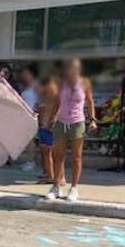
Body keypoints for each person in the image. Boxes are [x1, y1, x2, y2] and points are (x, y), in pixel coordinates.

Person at [45, 59, 97, 202]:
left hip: (77, 122)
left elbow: (90, 101)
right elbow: (57, 102)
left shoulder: (85, 83)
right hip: (61, 122)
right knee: (58, 156)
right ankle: (56, 186)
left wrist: (92, 120)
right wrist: (51, 119)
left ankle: (74, 188)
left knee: (76, 157)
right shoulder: (61, 83)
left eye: (74, 69)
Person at [37, 75, 59, 184]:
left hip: (50, 126)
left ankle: (55, 176)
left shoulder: (55, 95)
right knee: (45, 152)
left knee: (51, 152)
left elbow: (58, 108)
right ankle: (49, 174)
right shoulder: (44, 96)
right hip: (43, 125)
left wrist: (53, 119)